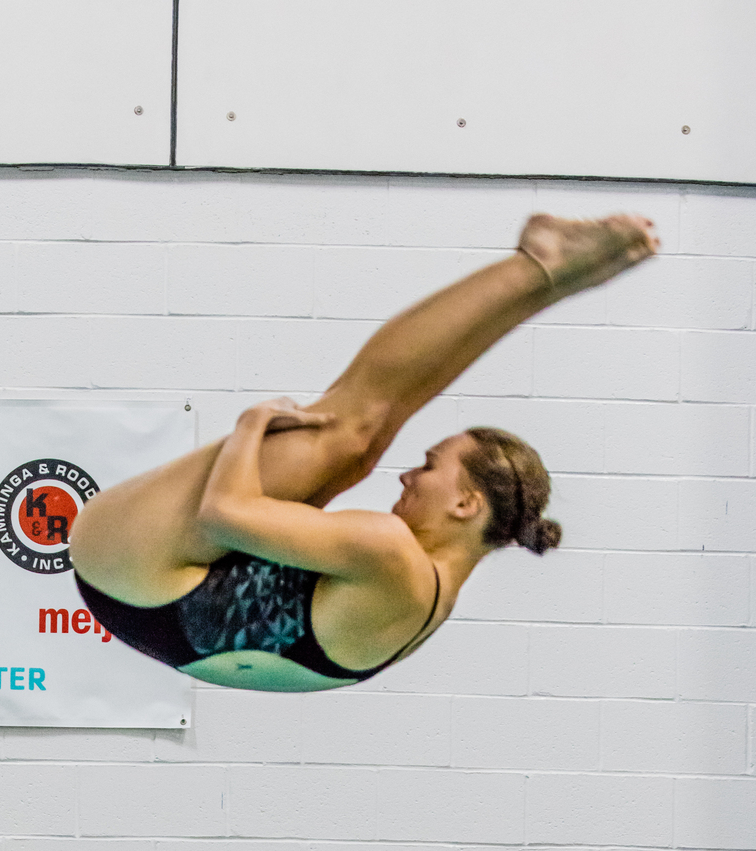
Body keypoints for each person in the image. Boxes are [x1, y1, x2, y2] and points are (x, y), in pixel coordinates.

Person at [69, 211, 658, 694]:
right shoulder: (431, 594)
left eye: (431, 467)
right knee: (361, 446)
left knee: (345, 431)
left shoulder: (390, 552)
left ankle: (539, 268)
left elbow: (221, 513)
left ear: (465, 504)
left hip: (131, 566)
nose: (409, 475)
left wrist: (251, 425)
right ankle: (541, 282)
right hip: (157, 602)